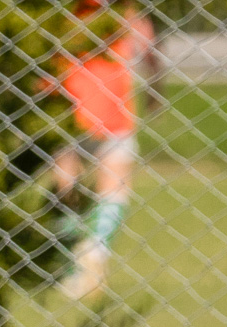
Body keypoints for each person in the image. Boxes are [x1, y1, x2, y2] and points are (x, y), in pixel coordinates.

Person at [54, 0, 156, 299]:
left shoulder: (62, 12)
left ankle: (73, 262)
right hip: (112, 109)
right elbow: (147, 46)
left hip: (68, 107)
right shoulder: (122, 10)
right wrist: (155, 85)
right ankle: (95, 252)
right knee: (114, 186)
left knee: (66, 186)